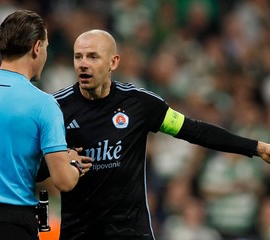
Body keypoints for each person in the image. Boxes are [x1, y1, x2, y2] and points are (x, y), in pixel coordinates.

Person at [43, 29, 270, 239]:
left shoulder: (139, 104)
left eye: (93, 57)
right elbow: (31, 169)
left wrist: (256, 147)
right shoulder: (54, 108)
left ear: (114, 62)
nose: (83, 64)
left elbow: (195, 130)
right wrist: (60, 162)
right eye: (78, 57)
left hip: (131, 233)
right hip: (79, 234)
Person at [0, 10, 92, 240]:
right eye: (45, 46)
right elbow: (63, 181)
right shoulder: (44, 105)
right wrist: (73, 163)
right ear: (37, 47)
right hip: (10, 223)